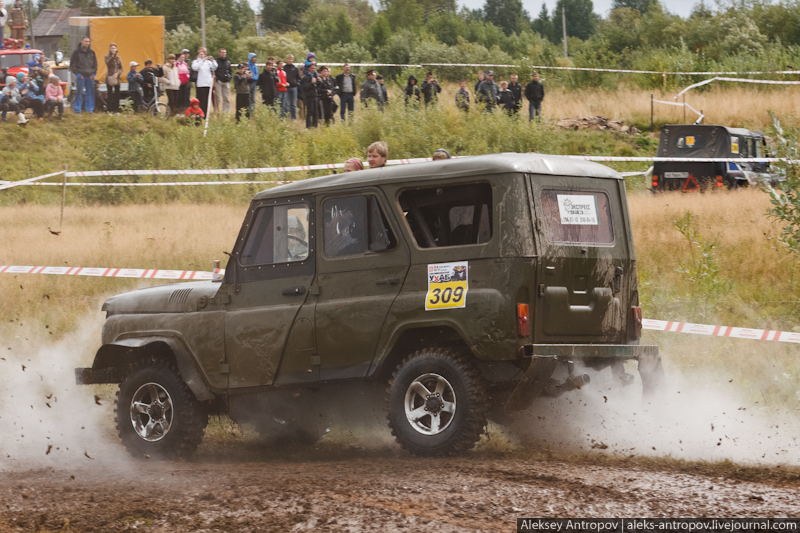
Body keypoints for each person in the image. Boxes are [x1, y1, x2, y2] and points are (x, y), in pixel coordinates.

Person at [69, 36, 97, 114]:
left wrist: (93, 73)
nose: (87, 43)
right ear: (82, 42)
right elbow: (72, 65)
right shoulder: (76, 52)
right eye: (85, 41)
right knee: (79, 92)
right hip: (80, 75)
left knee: (90, 93)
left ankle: (89, 110)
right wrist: (77, 73)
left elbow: (95, 64)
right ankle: (77, 110)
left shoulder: (91, 52)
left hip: (90, 75)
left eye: (88, 41)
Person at [192, 47, 217, 117]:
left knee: (206, 100)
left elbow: (214, 67)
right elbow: (195, 67)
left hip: (207, 84)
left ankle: (205, 115)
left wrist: (213, 60)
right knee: (200, 100)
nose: (202, 55)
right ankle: (199, 114)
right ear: (198, 55)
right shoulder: (196, 61)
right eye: (200, 54)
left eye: (203, 54)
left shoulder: (208, 62)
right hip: (200, 84)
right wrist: (202, 61)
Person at [300, 63, 321, 128]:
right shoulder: (306, 77)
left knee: (316, 112)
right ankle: (308, 126)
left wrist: (319, 82)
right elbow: (305, 87)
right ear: (309, 69)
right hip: (309, 96)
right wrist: (312, 83)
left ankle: (315, 126)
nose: (313, 70)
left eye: (314, 68)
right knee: (310, 112)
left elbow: (318, 87)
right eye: (312, 68)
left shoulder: (315, 76)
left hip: (315, 95)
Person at [104, 43, 123, 113]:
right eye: (112, 48)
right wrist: (112, 56)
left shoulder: (119, 58)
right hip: (110, 78)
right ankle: (109, 110)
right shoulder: (107, 57)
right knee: (110, 94)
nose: (113, 49)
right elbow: (108, 63)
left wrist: (117, 73)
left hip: (117, 78)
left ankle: (116, 109)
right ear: (110, 49)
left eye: (114, 48)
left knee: (117, 94)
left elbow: (121, 68)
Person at [282, 54, 300, 120]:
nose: (290, 60)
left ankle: (293, 118)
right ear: (287, 59)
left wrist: (297, 83)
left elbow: (298, 78)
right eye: (289, 59)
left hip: (294, 87)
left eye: (291, 59)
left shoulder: (295, 68)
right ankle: (287, 117)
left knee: (294, 104)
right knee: (287, 104)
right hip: (286, 88)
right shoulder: (284, 68)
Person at [215, 48, 232, 114]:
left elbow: (230, 71)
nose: (223, 54)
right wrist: (217, 79)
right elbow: (213, 70)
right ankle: (217, 111)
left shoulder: (228, 62)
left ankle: (225, 112)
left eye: (224, 52)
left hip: (226, 81)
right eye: (222, 52)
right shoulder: (216, 62)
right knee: (218, 97)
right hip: (219, 81)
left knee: (226, 98)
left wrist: (229, 77)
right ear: (219, 53)